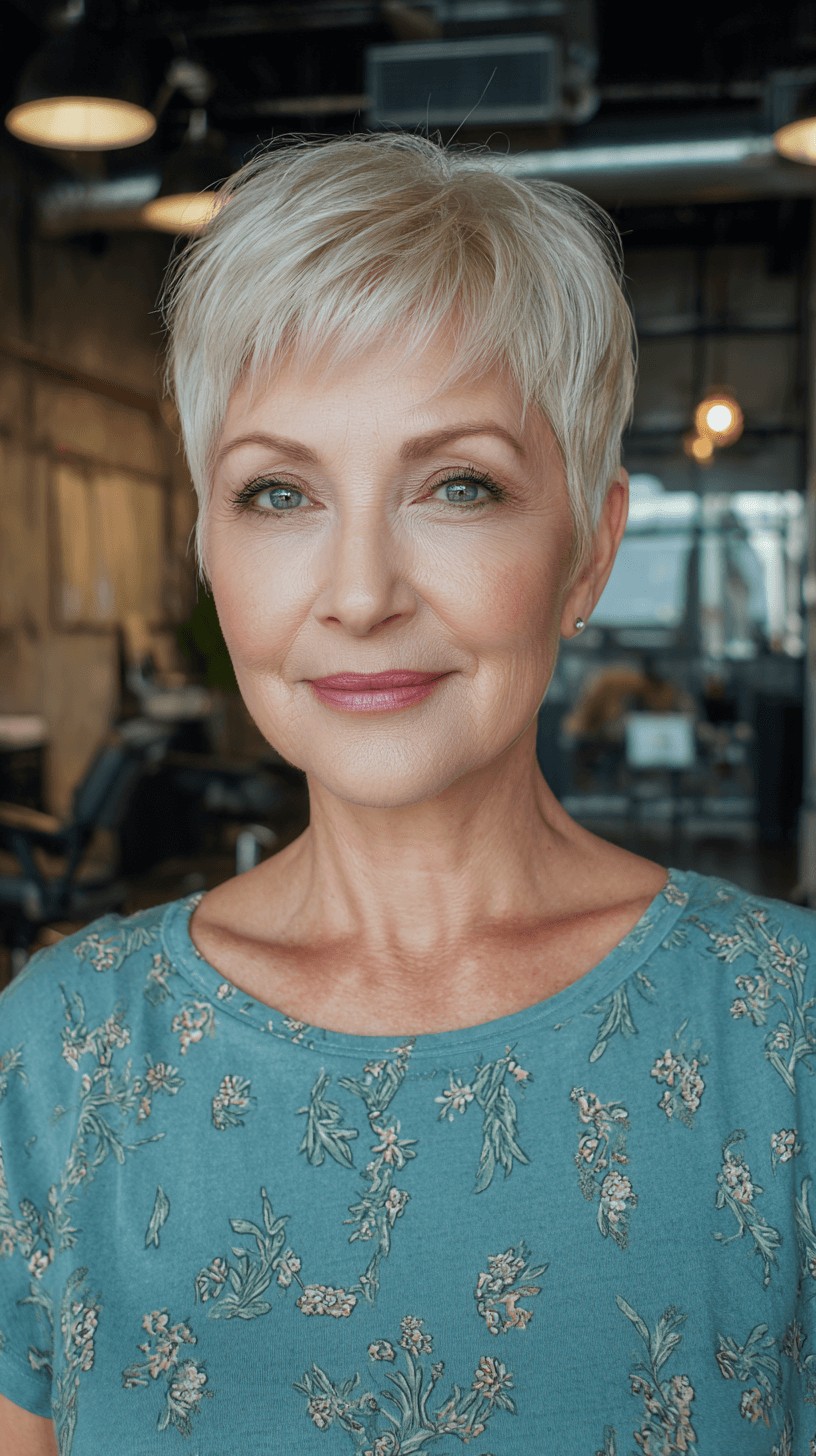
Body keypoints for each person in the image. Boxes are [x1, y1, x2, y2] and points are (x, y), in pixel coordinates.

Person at [1, 132, 814, 1456]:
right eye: (279, 492)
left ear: (590, 548)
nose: (363, 590)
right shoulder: (59, 1061)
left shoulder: (785, 1047)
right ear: (208, 546)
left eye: (457, 485)